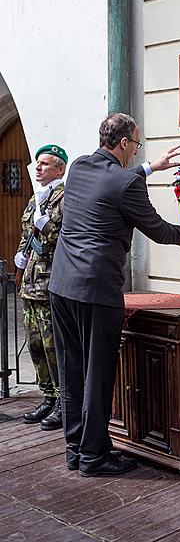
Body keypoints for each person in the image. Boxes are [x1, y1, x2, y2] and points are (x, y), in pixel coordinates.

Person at [48, 112, 180, 477]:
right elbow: (156, 229)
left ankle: (75, 450)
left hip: (61, 285)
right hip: (96, 288)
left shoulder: (78, 167)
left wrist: (148, 168)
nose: (137, 150)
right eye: (136, 144)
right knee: (98, 372)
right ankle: (94, 457)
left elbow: (112, 183)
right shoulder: (126, 184)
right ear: (124, 143)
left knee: (72, 369)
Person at [14, 145, 68, 430]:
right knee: (35, 345)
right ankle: (47, 395)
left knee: (53, 346)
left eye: (45, 164)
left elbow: (68, 238)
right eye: (37, 163)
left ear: (60, 169)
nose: (38, 168)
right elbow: (27, 235)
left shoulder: (64, 198)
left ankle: (63, 401)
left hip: (50, 284)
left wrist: (46, 226)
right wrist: (20, 261)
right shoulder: (37, 199)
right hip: (31, 284)